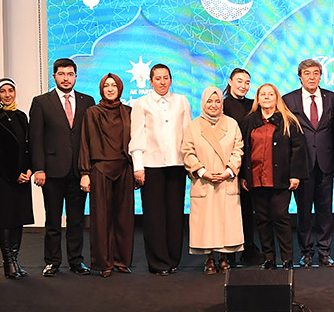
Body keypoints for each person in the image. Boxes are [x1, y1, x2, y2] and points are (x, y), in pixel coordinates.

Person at [29, 58, 96, 277]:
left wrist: (88, 170)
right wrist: (39, 169)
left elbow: (90, 138)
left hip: (78, 170)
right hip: (52, 171)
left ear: (76, 76)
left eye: (70, 74)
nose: (66, 78)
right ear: (54, 76)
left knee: (77, 220)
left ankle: (76, 261)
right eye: (61, 74)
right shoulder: (41, 102)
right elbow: (36, 138)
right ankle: (52, 262)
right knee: (53, 220)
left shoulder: (87, 101)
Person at [129, 63, 192, 276]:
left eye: (166, 78)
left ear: (171, 80)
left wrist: (190, 163)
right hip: (151, 165)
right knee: (154, 215)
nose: (162, 82)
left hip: (177, 164)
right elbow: (137, 136)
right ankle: (158, 262)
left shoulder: (182, 101)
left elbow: (188, 134)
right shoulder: (141, 103)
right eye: (158, 78)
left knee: (175, 214)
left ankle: (173, 259)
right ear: (151, 81)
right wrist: (138, 167)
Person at [240, 83, 308, 270]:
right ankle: (269, 257)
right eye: (263, 94)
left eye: (271, 94)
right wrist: (243, 176)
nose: (267, 97)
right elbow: (243, 150)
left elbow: (298, 149)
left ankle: (287, 258)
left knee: (280, 217)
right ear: (258, 98)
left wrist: (295, 175)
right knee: (262, 220)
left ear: (277, 98)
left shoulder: (288, 120)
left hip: (281, 179)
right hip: (256, 178)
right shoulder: (249, 121)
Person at [283, 59, 334, 267]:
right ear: (300, 77)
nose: (312, 77)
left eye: (316, 73)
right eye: (307, 73)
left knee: (325, 211)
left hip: (325, 163)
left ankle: (325, 251)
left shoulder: (331, 98)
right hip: (301, 165)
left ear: (321, 76)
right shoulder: (289, 100)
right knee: (304, 211)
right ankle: (306, 252)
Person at [182, 87, 244, 274]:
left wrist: (229, 171)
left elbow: (238, 150)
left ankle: (224, 258)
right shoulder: (193, 126)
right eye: (209, 101)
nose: (213, 105)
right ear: (203, 103)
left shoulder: (232, 124)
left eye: (217, 101)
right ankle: (209, 258)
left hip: (226, 180)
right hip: (204, 181)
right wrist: (202, 172)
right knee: (206, 223)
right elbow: (187, 152)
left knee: (226, 221)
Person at [79, 73, 134, 278]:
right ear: (101, 89)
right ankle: (104, 263)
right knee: (101, 219)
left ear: (120, 88)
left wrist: (137, 169)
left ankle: (121, 260)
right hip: (100, 169)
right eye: (106, 86)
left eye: (114, 85)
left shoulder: (129, 112)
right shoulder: (92, 112)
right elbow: (85, 142)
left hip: (124, 168)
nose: (110, 89)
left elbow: (136, 142)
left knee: (124, 217)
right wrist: (85, 172)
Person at [0, 78, 33, 279]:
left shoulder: (21, 116)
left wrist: (29, 169)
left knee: (18, 219)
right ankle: (8, 263)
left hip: (23, 177)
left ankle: (16, 259)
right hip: (4, 178)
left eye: (10, 90)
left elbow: (28, 146)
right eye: (3, 91)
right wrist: (13, 174)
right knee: (6, 220)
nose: (7, 95)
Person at [222, 67, 260, 266]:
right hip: (228, 163)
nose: (243, 86)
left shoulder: (254, 105)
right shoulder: (222, 105)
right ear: (230, 82)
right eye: (239, 81)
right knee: (229, 209)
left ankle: (249, 247)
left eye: (247, 82)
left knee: (248, 208)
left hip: (250, 163)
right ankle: (228, 252)